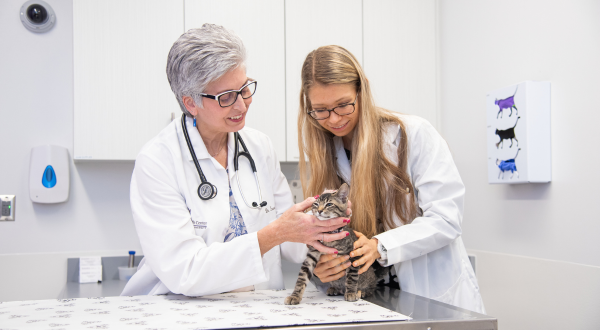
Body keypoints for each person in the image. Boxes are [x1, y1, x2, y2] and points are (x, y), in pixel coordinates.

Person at [122, 25, 351, 297]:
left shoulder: (258, 146)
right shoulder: (157, 162)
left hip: (258, 307)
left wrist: (321, 235)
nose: (242, 105)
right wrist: (273, 235)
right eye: (226, 97)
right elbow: (186, 271)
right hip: (181, 311)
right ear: (191, 103)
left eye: (244, 89)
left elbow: (290, 235)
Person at [296, 45, 486, 313]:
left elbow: (446, 218)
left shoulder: (413, 135)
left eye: (343, 105)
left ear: (362, 91)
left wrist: (379, 246)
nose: (334, 119)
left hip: (431, 298)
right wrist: (324, 270)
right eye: (321, 110)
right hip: (368, 302)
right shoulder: (324, 156)